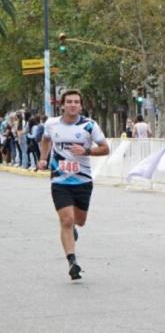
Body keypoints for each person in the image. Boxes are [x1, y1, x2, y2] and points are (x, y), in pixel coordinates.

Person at [37, 89, 110, 280]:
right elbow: (45, 140)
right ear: (62, 105)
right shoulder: (51, 123)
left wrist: (86, 151)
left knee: (79, 221)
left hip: (82, 180)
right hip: (59, 180)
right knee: (66, 220)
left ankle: (72, 229)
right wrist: (43, 158)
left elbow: (105, 148)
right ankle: (72, 261)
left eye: (76, 102)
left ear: (81, 106)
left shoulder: (89, 125)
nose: (72, 105)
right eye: (69, 101)